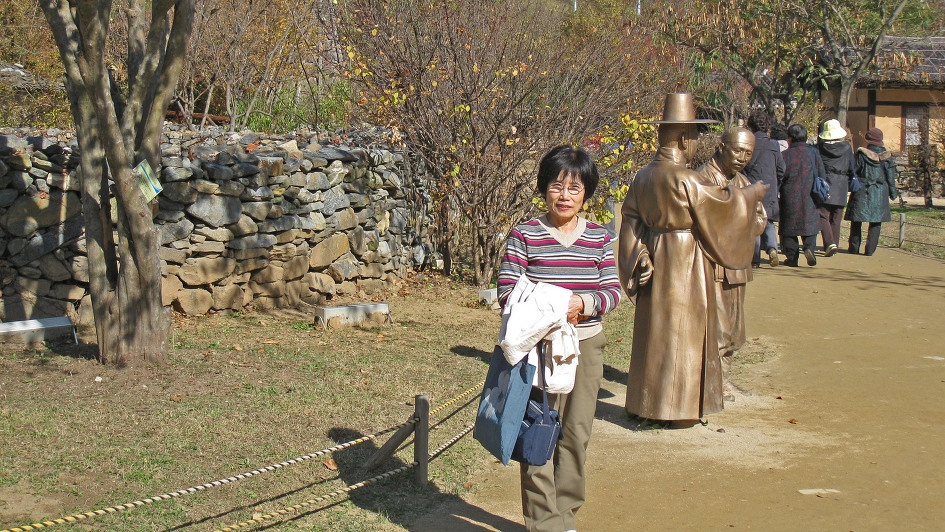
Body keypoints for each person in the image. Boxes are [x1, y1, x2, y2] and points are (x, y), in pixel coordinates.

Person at [618, 93, 767, 425]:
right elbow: (723, 209)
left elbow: (630, 220)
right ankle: (678, 408)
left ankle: (645, 403)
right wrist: (752, 195)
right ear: (685, 137)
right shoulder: (689, 178)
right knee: (683, 332)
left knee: (655, 332)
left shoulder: (643, 176)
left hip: (656, 253)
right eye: (696, 135)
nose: (698, 142)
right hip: (685, 258)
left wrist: (640, 254)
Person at [497, 145, 621, 532]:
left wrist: (582, 303)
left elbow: (612, 292)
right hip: (537, 348)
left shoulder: (599, 237)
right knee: (535, 431)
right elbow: (506, 292)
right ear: (544, 188)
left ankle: (566, 516)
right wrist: (554, 307)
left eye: (575, 188)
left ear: (586, 194)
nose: (565, 196)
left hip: (586, 345)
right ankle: (544, 523)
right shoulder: (525, 235)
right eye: (557, 186)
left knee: (576, 434)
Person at [697, 127, 766, 379]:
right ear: (721, 147)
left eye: (748, 153)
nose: (742, 158)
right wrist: (740, 220)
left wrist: (741, 223)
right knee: (718, 328)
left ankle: (724, 380)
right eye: (737, 150)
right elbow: (708, 223)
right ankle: (713, 383)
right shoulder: (702, 179)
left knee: (734, 329)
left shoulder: (743, 182)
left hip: (737, 266)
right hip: (713, 267)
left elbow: (760, 218)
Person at [845, 127, 899, 256]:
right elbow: (890, 176)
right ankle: (870, 250)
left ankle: (854, 248)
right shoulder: (887, 156)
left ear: (867, 139)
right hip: (880, 191)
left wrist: (848, 186)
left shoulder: (861, 154)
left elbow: (854, 171)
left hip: (862, 189)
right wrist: (893, 193)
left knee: (856, 221)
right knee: (876, 222)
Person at [743, 109, 785, 267]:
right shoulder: (774, 145)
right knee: (769, 221)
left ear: (750, 126)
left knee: (754, 221)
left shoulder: (748, 143)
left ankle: (754, 259)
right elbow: (781, 169)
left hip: (751, 187)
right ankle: (772, 249)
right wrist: (777, 183)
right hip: (770, 187)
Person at [778, 124, 823, 267]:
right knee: (810, 224)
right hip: (810, 194)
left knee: (788, 228)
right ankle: (809, 248)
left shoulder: (785, 155)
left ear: (790, 138)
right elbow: (821, 173)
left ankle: (792, 258)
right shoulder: (813, 153)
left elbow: (780, 176)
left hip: (789, 195)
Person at [816, 119, 856, 257]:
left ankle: (829, 243)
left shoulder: (819, 148)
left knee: (823, 215)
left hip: (825, 183)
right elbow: (852, 167)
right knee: (836, 217)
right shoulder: (847, 148)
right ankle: (835, 245)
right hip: (841, 184)